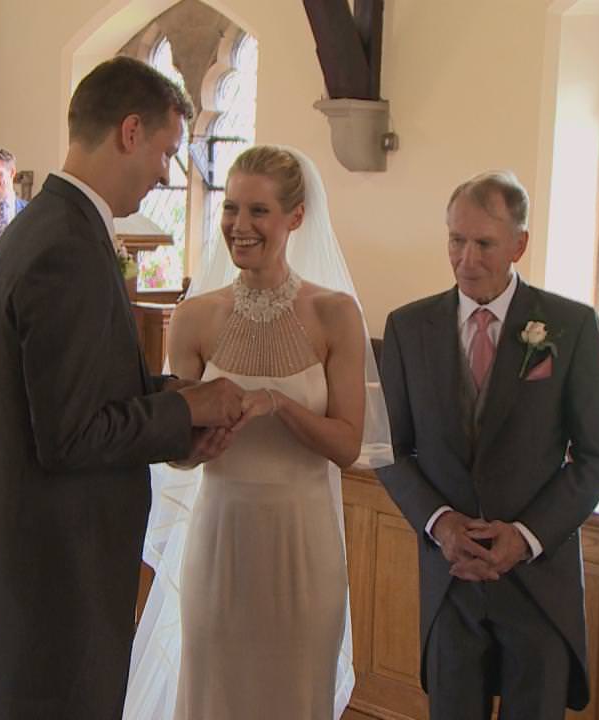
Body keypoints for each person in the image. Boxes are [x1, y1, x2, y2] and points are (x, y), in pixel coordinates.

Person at [0, 56, 245, 719]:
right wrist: (184, 405)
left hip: (36, 546)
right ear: (130, 131)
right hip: (54, 565)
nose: (167, 173)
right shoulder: (66, 245)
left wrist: (179, 421)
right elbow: (71, 432)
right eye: (166, 151)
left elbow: (85, 388)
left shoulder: (51, 225)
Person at [123, 146, 393, 719]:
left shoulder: (335, 315)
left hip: (303, 542)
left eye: (258, 212)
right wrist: (196, 449)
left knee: (294, 697)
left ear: (295, 218)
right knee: (215, 695)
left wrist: (280, 406)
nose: (239, 227)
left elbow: (348, 446)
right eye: (231, 209)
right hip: (222, 536)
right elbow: (175, 452)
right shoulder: (197, 317)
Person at [376, 171, 599, 719]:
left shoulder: (568, 326)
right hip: (450, 583)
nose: (466, 258)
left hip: (537, 584)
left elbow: (598, 456)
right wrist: (441, 524)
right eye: (456, 240)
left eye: (483, 243)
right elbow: (388, 447)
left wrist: (526, 537)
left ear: (519, 244)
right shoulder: (408, 328)